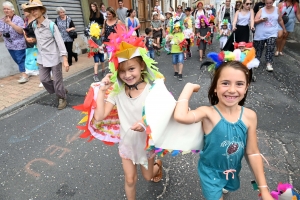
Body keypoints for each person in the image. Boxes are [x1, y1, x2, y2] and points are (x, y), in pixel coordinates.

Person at [174, 61, 273, 200]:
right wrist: (188, 88)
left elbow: (252, 152)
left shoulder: (250, 116)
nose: (232, 90)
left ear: (246, 88)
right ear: (215, 87)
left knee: (227, 187)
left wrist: (264, 189)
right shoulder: (208, 113)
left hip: (232, 171)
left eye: (239, 84)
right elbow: (180, 116)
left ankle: (224, 186)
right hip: (210, 173)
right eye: (225, 83)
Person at [93, 25, 164, 200]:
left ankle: (157, 166)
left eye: (131, 69)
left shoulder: (151, 89)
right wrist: (102, 91)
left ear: (141, 66)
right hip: (127, 145)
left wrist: (144, 121)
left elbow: (161, 113)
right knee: (130, 179)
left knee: (148, 176)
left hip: (146, 145)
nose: (127, 75)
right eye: (122, 71)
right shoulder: (117, 92)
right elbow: (99, 117)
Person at [23, 0, 69, 110]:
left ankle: (61, 97)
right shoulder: (34, 25)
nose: (33, 12)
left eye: (36, 9)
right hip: (42, 57)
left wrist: (65, 59)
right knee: (44, 80)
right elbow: (38, 40)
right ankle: (60, 89)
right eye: (32, 10)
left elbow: (60, 42)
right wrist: (32, 40)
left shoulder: (51, 25)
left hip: (54, 57)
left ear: (42, 10)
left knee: (57, 80)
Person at [0, 1, 29, 83]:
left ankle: (24, 75)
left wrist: (10, 23)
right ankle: (26, 71)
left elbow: (20, 31)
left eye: (8, 9)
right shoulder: (2, 20)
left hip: (19, 44)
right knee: (17, 59)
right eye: (4, 9)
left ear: (12, 10)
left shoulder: (18, 19)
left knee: (20, 59)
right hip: (9, 44)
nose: (6, 11)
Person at [254, 0, 286, 71]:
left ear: (273, 2)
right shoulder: (261, 10)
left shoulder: (277, 9)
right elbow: (255, 20)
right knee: (259, 48)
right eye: (266, 3)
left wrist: (284, 29)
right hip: (261, 32)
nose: (268, 5)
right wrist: (261, 20)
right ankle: (257, 60)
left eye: (270, 3)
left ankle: (268, 63)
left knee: (270, 47)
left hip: (272, 32)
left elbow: (280, 20)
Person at [21, 3, 39, 79]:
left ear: (31, 11)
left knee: (40, 61)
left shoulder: (36, 20)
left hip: (38, 43)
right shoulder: (25, 20)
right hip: (29, 44)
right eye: (23, 10)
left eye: (25, 10)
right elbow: (24, 30)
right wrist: (26, 38)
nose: (24, 12)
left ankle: (44, 79)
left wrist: (35, 39)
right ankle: (43, 78)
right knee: (34, 61)